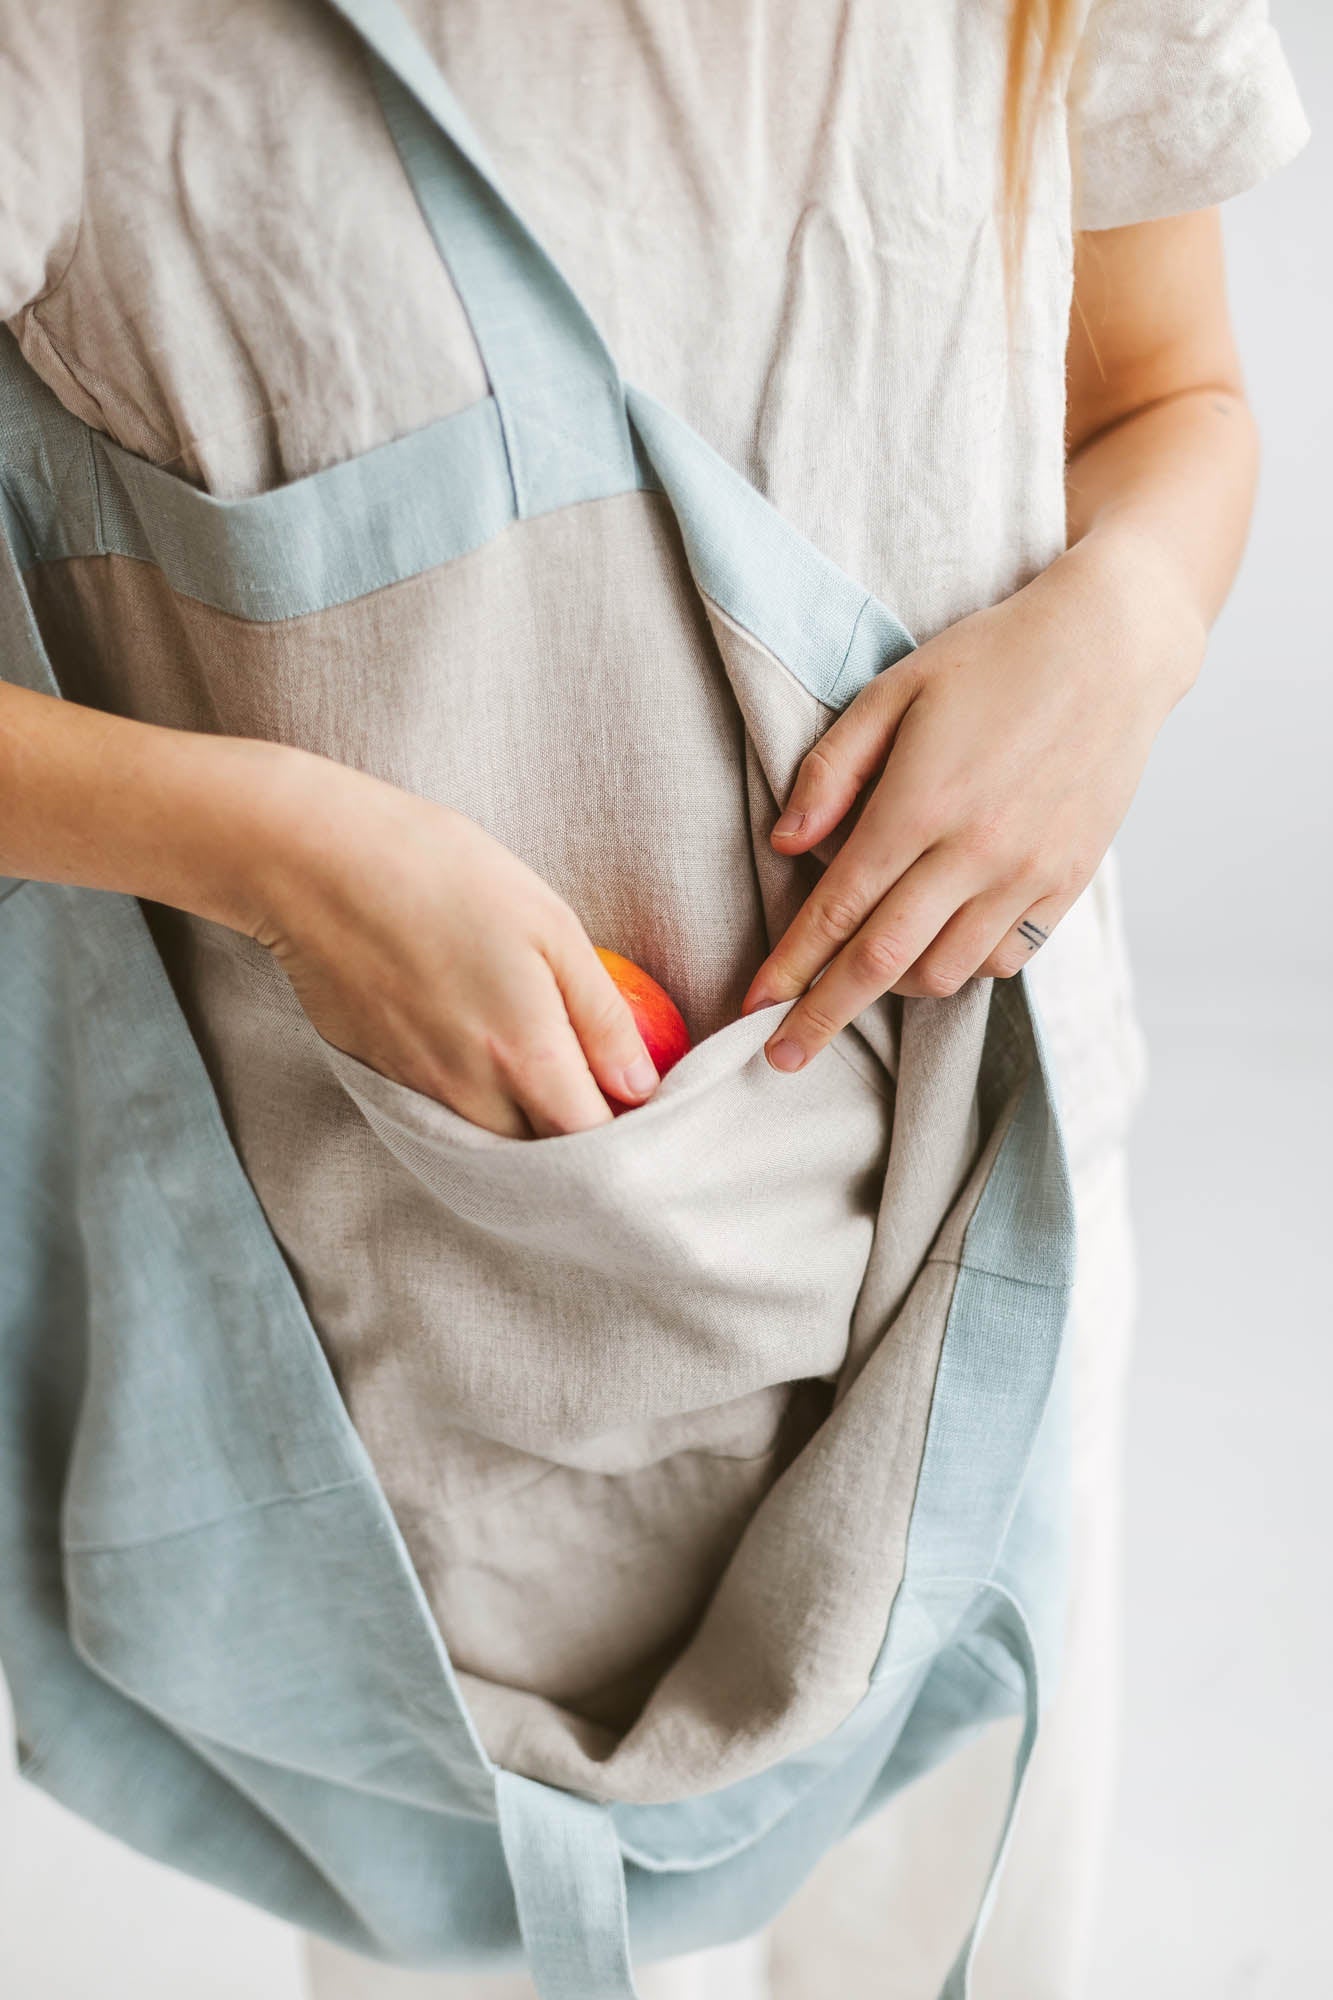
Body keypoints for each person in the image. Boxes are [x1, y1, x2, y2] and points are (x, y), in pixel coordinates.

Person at [0, 2, 1308, 1996]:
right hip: (434, 1348)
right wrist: (276, 849)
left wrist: (1122, 622)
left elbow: (1163, 394)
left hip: (976, 1245)